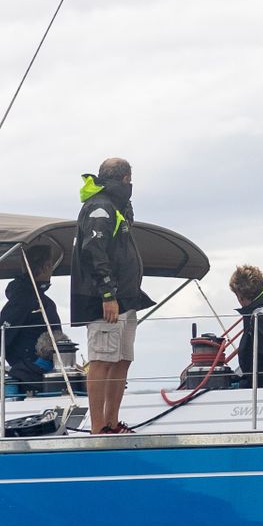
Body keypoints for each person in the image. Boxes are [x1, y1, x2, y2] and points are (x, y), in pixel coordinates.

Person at [71, 157, 153, 433]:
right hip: (104, 300)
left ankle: (111, 422)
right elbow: (93, 251)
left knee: (121, 359)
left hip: (127, 298)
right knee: (102, 360)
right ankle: (98, 427)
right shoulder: (100, 207)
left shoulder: (118, 207)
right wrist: (107, 294)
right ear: (126, 179)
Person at [0, 240, 63, 393]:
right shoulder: (24, 300)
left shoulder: (40, 301)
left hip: (47, 371)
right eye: (50, 265)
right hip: (33, 376)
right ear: (47, 266)